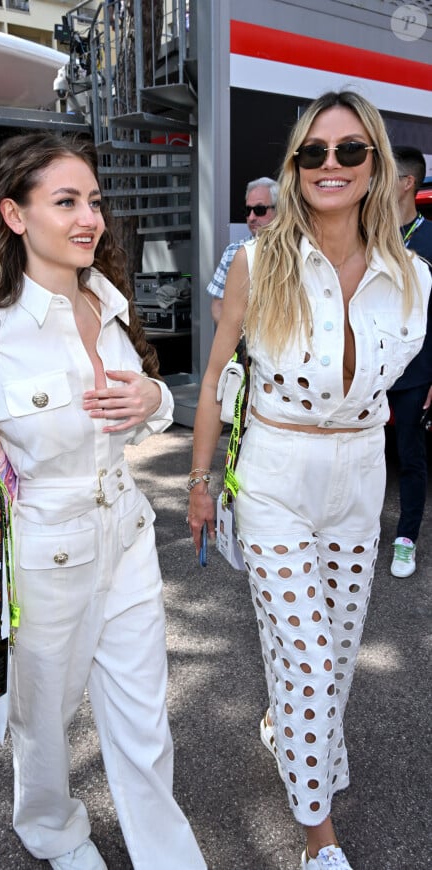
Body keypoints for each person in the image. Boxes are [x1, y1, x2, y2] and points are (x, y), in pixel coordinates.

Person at [0, 133, 206, 870]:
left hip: (128, 538)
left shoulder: (111, 301)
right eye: (65, 201)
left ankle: (169, 859)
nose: (88, 217)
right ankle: (54, 831)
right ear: (14, 215)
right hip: (44, 555)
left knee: (142, 722)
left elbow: (150, 410)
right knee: (42, 719)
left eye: (93, 201)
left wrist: (156, 396)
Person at [187, 91, 431, 870]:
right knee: (312, 658)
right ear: (295, 169)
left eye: (350, 151)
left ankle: (287, 726)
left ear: (375, 165)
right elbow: (217, 376)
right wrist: (199, 480)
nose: (331, 165)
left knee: (336, 649)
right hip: (274, 474)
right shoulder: (260, 263)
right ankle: (315, 834)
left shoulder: (413, 277)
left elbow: (396, 382)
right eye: (313, 153)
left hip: (359, 477)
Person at [387, 146, 432, 578]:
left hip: (416, 370)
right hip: (365, 366)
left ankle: (406, 540)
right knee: (356, 448)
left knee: (409, 457)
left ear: (407, 183)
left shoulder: (430, 238)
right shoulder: (368, 232)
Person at [206, 177, 278, 324]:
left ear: (280, 209)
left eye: (259, 210)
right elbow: (218, 306)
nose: (251, 217)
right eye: (247, 210)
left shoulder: (299, 250)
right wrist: (241, 338)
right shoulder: (233, 251)